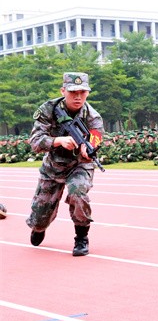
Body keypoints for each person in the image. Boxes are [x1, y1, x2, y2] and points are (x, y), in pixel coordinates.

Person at [27, 72, 104, 256]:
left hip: (79, 165)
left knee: (78, 192)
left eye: (82, 92)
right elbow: (35, 142)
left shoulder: (93, 116)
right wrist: (57, 141)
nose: (78, 97)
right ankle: (39, 227)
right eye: (73, 92)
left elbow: (96, 138)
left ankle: (81, 237)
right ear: (63, 91)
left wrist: (88, 149)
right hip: (53, 166)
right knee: (39, 218)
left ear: (87, 93)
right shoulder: (48, 110)